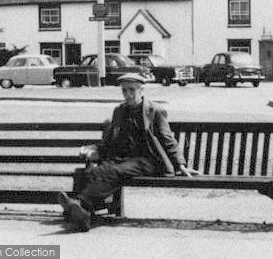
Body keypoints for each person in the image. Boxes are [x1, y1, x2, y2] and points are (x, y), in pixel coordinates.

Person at [58, 73, 199, 231]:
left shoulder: (155, 111)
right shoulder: (119, 111)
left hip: (148, 160)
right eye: (124, 90)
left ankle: (78, 205)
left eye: (132, 90)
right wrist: (94, 149)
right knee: (94, 171)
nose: (128, 94)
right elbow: (110, 139)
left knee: (115, 171)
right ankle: (83, 214)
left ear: (142, 90)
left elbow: (168, 139)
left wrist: (180, 164)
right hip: (122, 158)